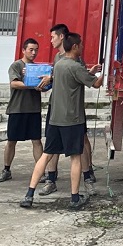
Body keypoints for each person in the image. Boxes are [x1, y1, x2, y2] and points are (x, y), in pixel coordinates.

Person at [21, 33, 103, 210]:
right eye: (81, 45)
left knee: (46, 155)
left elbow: (75, 79)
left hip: (55, 118)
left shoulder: (58, 65)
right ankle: (74, 198)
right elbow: (96, 84)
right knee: (75, 158)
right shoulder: (76, 66)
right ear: (74, 47)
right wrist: (108, 73)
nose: (82, 48)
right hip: (72, 119)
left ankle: (29, 194)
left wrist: (89, 73)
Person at [37, 23, 95, 196]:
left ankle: (87, 177)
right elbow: (57, 80)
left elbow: (80, 77)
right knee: (52, 144)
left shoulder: (76, 59)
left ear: (62, 37)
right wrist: (46, 83)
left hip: (73, 109)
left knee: (81, 142)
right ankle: (51, 179)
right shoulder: (57, 58)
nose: (51, 40)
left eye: (53, 37)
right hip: (56, 107)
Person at [0, 38, 43, 183]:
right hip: (17, 109)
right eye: (31, 50)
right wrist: (31, 83)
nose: (33, 53)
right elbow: (14, 83)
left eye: (36, 50)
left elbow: (44, 85)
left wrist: (44, 83)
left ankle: (41, 171)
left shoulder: (38, 69)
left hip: (33, 109)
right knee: (11, 141)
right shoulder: (16, 65)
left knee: (37, 141)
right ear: (23, 50)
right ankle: (6, 170)